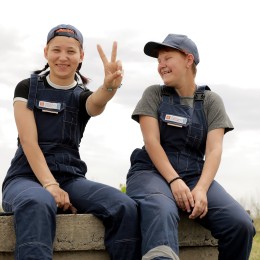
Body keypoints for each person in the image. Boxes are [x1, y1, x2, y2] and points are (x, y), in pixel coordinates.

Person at [1, 24, 141, 260]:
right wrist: (50, 186)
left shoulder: (81, 95)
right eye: (56, 50)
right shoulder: (27, 88)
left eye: (71, 51)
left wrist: (109, 86)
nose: (63, 57)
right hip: (25, 177)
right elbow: (28, 141)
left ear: (81, 56)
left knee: (124, 206)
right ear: (46, 52)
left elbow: (96, 104)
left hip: (70, 177)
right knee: (38, 201)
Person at [126, 33, 256, 260]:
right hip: (151, 172)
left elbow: (214, 150)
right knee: (161, 210)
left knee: (240, 225)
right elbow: (152, 142)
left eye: (167, 58)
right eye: (158, 61)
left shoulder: (211, 101)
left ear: (188, 60)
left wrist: (202, 189)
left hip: (194, 174)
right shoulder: (154, 94)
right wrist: (174, 181)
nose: (161, 65)